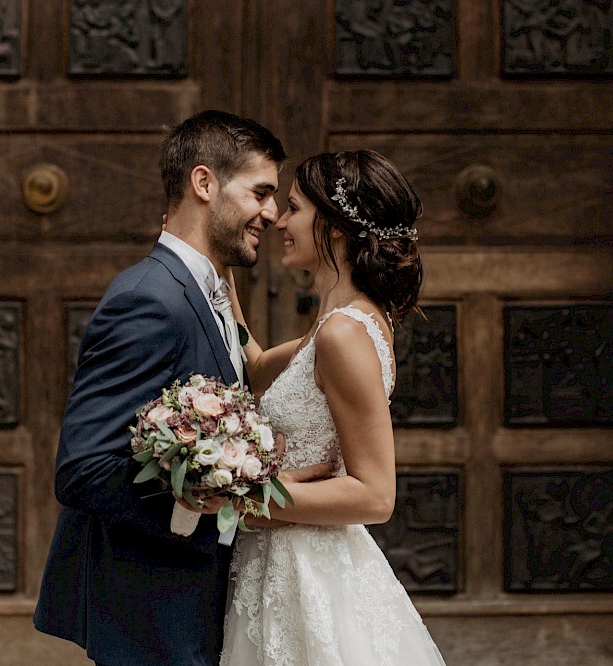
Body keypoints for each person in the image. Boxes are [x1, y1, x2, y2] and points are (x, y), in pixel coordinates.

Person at [34, 110, 326, 666]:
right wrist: (216, 499)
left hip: (192, 604)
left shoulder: (211, 291)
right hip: (151, 609)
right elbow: (83, 469)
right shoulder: (149, 298)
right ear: (204, 183)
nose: (271, 212)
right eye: (261, 192)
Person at [220, 150, 447, 664]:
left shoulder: (344, 333)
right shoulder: (338, 321)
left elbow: (375, 494)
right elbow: (256, 368)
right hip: (287, 561)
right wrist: (220, 272)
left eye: (295, 208)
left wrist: (247, 501)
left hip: (310, 573)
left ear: (337, 227)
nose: (279, 219)